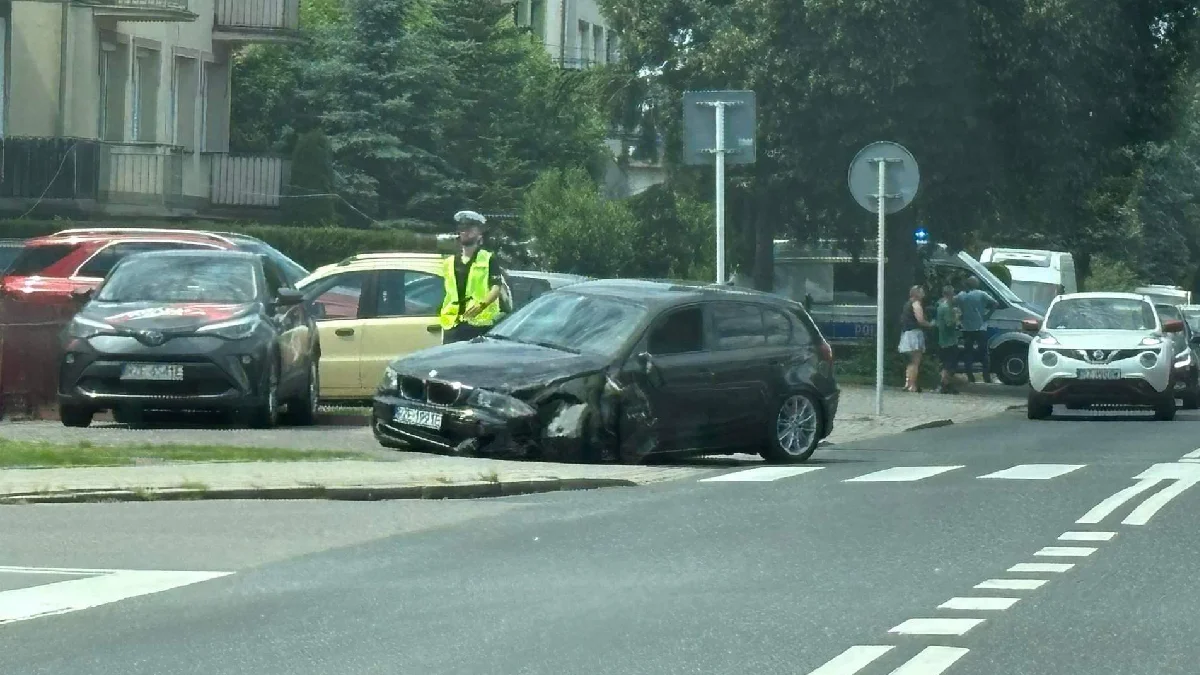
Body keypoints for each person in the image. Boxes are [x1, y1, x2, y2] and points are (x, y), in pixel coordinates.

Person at [437, 210, 504, 344]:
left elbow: (496, 287)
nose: (464, 232)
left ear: (479, 234)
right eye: (462, 229)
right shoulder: (449, 262)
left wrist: (481, 306)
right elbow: (446, 292)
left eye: (469, 229)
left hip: (478, 325)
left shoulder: (488, 258)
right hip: (452, 324)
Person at [955, 276, 998, 384]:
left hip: (966, 327)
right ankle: (986, 376)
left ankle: (970, 376)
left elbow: (953, 302)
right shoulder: (981, 294)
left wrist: (960, 315)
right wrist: (988, 314)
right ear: (976, 284)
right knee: (983, 352)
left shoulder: (961, 295)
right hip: (980, 327)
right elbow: (995, 303)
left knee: (967, 351)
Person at [898, 285, 934, 393]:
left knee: (909, 362)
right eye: (922, 292)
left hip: (906, 333)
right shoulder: (916, 304)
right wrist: (930, 324)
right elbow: (920, 320)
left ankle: (907, 383)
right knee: (915, 361)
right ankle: (912, 385)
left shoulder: (907, 304)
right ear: (916, 293)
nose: (924, 294)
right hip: (915, 334)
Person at [934, 285, 962, 394]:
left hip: (943, 338)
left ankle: (946, 384)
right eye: (953, 294)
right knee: (949, 364)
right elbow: (949, 323)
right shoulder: (946, 308)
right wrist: (956, 317)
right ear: (950, 294)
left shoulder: (940, 305)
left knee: (947, 363)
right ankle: (943, 384)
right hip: (948, 340)